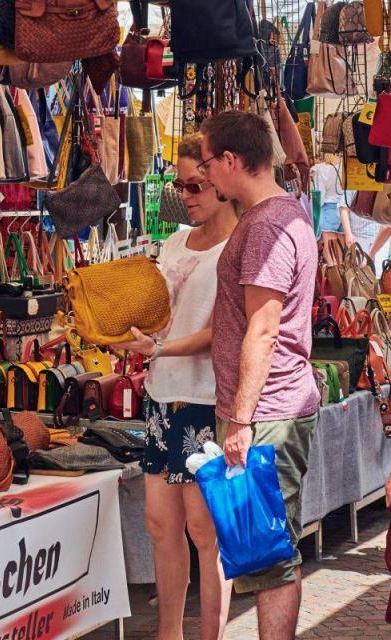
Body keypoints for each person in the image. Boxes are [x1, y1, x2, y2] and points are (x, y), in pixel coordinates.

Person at [200, 110, 320, 640]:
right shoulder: (282, 211)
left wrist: (242, 420)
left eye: (206, 164)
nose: (204, 176)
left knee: (270, 553)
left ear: (231, 160)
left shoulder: (269, 224)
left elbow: (264, 328)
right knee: (266, 549)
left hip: (268, 409)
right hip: (272, 405)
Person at [113, 133, 235, 640]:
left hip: (206, 398)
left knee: (204, 530)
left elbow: (224, 331)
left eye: (196, 185)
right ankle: (169, 633)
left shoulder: (238, 245)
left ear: (222, 183)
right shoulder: (175, 241)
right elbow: (163, 314)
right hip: (163, 394)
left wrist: (160, 349)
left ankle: (210, 634)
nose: (186, 195)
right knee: (161, 524)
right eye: (179, 186)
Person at [310, 152, 355, 248]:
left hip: (329, 209)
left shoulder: (322, 169)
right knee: (342, 248)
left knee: (330, 250)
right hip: (346, 210)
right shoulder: (347, 168)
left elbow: (320, 196)